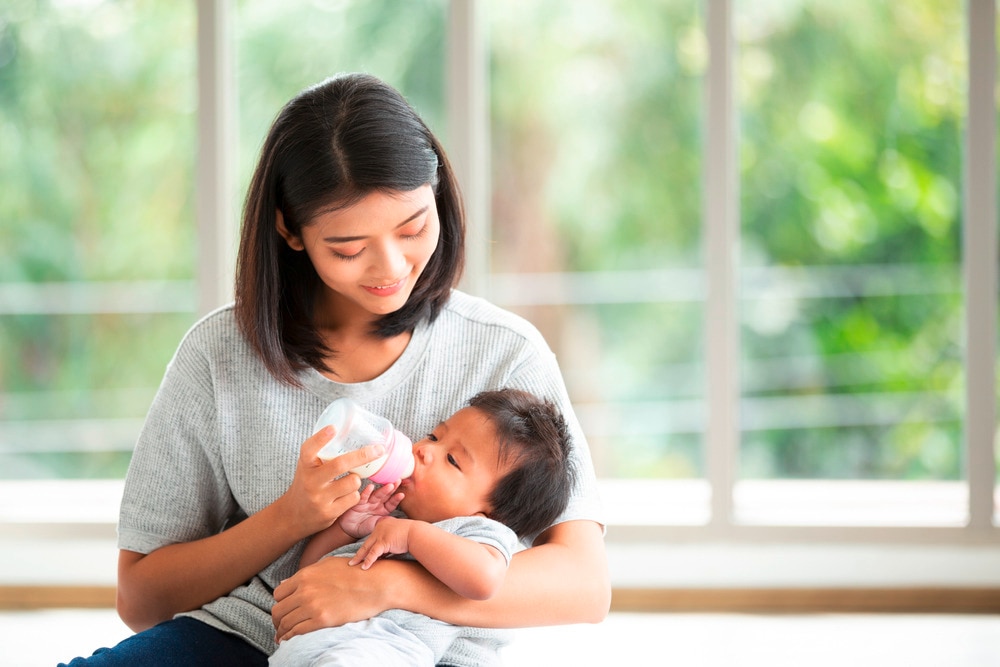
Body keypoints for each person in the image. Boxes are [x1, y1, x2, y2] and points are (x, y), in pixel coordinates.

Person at [60, 72, 608, 667]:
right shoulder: (218, 355)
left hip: (419, 648)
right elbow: (141, 598)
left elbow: (584, 584)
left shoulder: (504, 352)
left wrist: (388, 586)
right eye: (349, 247)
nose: (393, 266)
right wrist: (292, 516)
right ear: (289, 230)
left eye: (414, 227)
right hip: (253, 633)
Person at [269, 388, 575, 666]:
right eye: (434, 436)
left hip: (384, 649)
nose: (424, 450)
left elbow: (484, 580)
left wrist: (413, 536)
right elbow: (310, 573)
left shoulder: (476, 532)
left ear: (487, 512)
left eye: (452, 460)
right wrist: (345, 531)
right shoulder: (391, 518)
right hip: (304, 650)